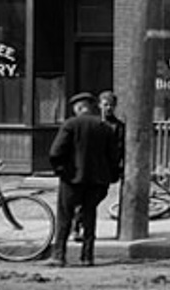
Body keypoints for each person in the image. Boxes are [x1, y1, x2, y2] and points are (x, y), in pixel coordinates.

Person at [47, 92, 120, 267]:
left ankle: (59, 255)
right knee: (89, 217)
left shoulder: (71, 124)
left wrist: (61, 170)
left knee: (65, 217)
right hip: (96, 180)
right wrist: (110, 175)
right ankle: (87, 256)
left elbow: (55, 152)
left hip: (72, 179)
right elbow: (114, 156)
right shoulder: (104, 127)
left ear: (78, 108)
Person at [73, 89, 125, 242]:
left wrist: (117, 168)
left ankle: (79, 221)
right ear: (99, 105)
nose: (108, 108)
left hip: (105, 169)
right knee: (84, 198)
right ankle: (79, 227)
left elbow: (119, 149)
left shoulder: (118, 126)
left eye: (111, 105)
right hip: (89, 167)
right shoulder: (94, 123)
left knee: (99, 195)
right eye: (105, 104)